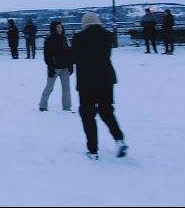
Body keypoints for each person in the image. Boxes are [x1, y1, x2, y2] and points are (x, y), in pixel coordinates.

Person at [71, 13, 128, 160]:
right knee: (107, 111)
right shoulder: (107, 35)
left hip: (86, 81)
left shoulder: (79, 37)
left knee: (88, 115)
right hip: (106, 79)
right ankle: (119, 139)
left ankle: (93, 150)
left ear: (85, 24)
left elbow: (74, 58)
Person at [39, 21, 73, 112]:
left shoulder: (65, 39)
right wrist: (50, 67)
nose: (60, 29)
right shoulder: (49, 40)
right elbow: (47, 55)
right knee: (50, 87)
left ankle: (67, 107)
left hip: (65, 67)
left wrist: (71, 65)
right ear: (53, 28)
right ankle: (43, 105)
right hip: (54, 68)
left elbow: (70, 53)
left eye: (61, 27)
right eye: (58, 27)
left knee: (66, 88)